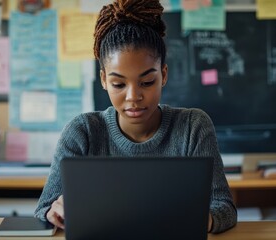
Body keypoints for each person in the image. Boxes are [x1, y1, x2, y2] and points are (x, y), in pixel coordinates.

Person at [35, 0, 237, 234]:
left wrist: (200, 219)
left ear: (163, 74)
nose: (133, 97)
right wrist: (54, 211)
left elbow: (225, 209)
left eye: (147, 82)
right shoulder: (83, 132)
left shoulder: (193, 126)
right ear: (103, 80)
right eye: (118, 84)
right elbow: (43, 210)